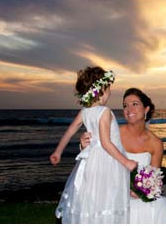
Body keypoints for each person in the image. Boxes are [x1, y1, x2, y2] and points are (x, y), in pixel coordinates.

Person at [80, 88, 166, 224]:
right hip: (112, 192)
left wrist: (142, 191)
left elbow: (154, 180)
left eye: (134, 104)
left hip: (138, 196)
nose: (129, 109)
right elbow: (95, 157)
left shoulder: (156, 143)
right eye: (125, 105)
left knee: (158, 206)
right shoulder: (113, 133)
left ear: (146, 109)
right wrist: (84, 145)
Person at [50, 66, 137, 224]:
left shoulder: (85, 111)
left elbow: (70, 131)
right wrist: (126, 162)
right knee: (108, 197)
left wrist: (58, 152)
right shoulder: (105, 111)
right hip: (108, 161)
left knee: (93, 197)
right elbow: (105, 143)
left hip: (91, 161)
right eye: (109, 88)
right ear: (102, 89)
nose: (110, 92)